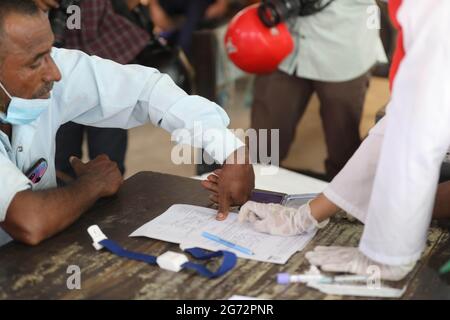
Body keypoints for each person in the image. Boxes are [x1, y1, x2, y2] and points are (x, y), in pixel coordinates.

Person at [0, 0, 254, 247]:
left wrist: (230, 151)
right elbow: (29, 220)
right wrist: (92, 184)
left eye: (50, 53)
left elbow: (146, 91)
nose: (54, 73)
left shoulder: (49, 68)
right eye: (36, 62)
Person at [233, 0, 450, 281]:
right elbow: (401, 123)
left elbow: (419, 131)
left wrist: (388, 253)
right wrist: (306, 215)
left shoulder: (433, 11)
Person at [251, 0, 386, 180]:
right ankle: (252, 199)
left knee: (343, 155)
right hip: (281, 43)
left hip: (344, 50)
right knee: (262, 149)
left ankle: (338, 207)